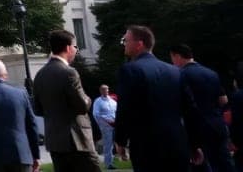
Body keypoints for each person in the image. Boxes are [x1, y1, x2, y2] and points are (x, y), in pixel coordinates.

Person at [115, 25, 200, 172]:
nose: (124, 44)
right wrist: (194, 144)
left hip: (147, 144)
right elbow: (190, 110)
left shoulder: (129, 70)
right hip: (177, 140)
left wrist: (120, 140)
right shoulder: (175, 71)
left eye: (126, 40)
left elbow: (125, 108)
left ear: (139, 44)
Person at [32, 29, 98, 172]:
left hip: (55, 142)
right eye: (75, 47)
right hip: (77, 141)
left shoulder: (40, 75)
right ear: (68, 48)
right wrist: (88, 99)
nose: (76, 50)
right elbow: (82, 106)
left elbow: (37, 109)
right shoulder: (69, 73)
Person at [170, 44, 233, 172]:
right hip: (217, 123)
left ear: (177, 56)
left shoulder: (180, 75)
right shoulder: (211, 73)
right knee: (224, 162)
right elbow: (223, 100)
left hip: (197, 126)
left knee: (200, 163)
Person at [91, 85, 118, 169]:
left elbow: (118, 111)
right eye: (103, 89)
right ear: (100, 91)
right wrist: (104, 123)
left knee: (117, 144)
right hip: (106, 126)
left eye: (107, 89)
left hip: (116, 125)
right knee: (108, 145)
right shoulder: (98, 101)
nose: (105, 91)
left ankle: (114, 161)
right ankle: (108, 164)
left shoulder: (113, 101)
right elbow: (96, 114)